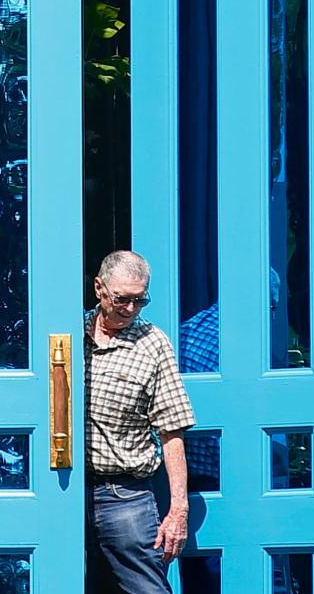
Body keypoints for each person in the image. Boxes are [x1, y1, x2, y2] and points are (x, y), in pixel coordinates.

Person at [85, 250, 195, 593]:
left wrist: (179, 510)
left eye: (140, 300)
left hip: (125, 496)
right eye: (122, 299)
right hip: (63, 490)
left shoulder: (153, 343)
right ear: (99, 288)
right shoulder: (68, 336)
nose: (131, 309)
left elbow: (171, 430)